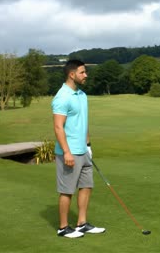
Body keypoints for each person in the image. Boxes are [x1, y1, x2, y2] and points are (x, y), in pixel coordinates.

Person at [51, 59, 105, 238]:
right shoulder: (62, 97)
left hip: (83, 151)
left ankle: (81, 223)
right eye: (82, 72)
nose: (86, 75)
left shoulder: (82, 95)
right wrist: (66, 151)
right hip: (69, 152)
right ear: (71, 74)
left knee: (86, 186)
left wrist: (88, 146)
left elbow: (83, 123)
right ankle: (63, 227)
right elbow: (58, 127)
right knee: (67, 190)